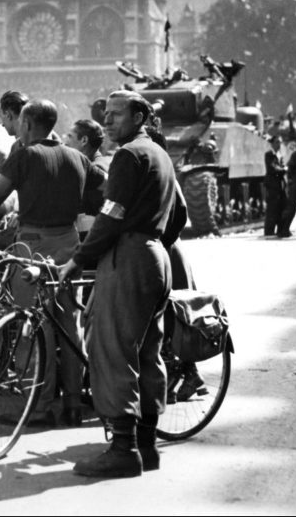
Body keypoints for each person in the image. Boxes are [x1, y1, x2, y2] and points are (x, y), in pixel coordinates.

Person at [57, 90, 179, 479]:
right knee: (147, 352)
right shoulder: (159, 154)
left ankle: (122, 449)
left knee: (112, 348)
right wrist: (153, 243)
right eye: (105, 115)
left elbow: (110, 216)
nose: (107, 121)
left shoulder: (128, 156)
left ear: (140, 116)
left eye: (116, 115)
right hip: (156, 256)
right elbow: (181, 213)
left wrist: (79, 259)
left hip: (128, 258)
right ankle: (147, 445)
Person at [0, 99, 105, 428]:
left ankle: (39, 406)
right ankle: (72, 404)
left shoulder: (25, 156)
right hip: (69, 244)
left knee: (32, 327)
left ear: (27, 125)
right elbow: (108, 196)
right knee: (70, 325)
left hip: (33, 246)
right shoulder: (78, 158)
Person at [64, 118, 110, 237]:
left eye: (70, 136)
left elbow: (95, 214)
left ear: (84, 140)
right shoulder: (99, 164)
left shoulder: (97, 169)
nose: (65, 142)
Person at [263, 135, 287, 236]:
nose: (279, 144)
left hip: (280, 185)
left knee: (280, 207)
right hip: (272, 185)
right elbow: (273, 168)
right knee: (272, 208)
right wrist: (284, 169)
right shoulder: (269, 154)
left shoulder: (279, 155)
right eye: (277, 142)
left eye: (280, 142)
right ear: (272, 143)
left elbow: (280, 166)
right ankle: (269, 230)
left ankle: (280, 229)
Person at [0, 90, 29, 155]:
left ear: (8, 115)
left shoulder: (17, 147)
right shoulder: (48, 137)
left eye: (2, 118)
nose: (3, 125)